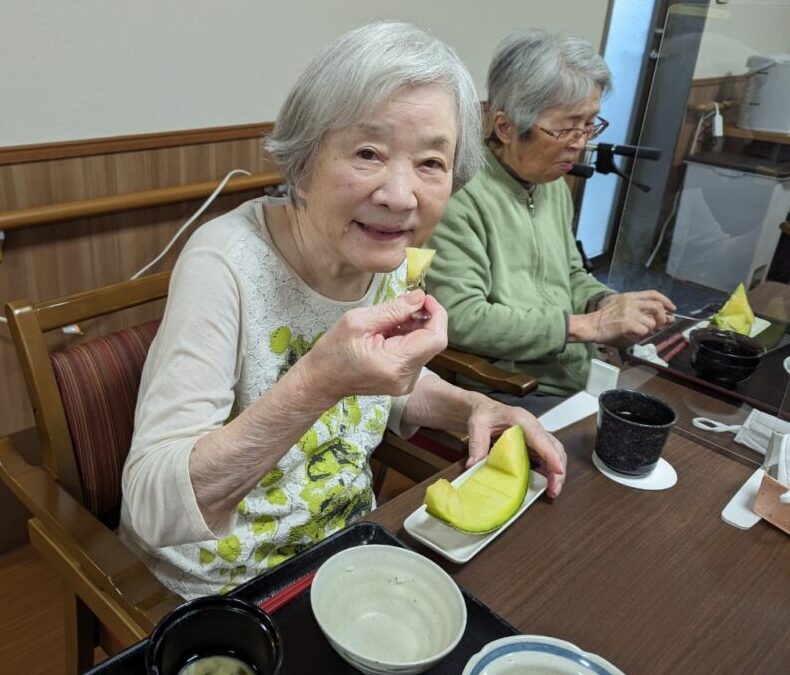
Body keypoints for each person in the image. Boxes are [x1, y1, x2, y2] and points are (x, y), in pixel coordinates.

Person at [119, 22, 566, 600]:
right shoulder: (223, 261)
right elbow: (155, 506)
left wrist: (475, 406)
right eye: (368, 153)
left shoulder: (389, 257)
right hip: (219, 588)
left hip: (348, 551)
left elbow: (385, 384)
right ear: (303, 161)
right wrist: (318, 380)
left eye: (431, 163)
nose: (400, 196)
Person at [425, 30, 676, 415]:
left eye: (590, 124)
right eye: (566, 127)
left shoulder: (550, 183)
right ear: (506, 127)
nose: (580, 143)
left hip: (572, 371)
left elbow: (570, 274)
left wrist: (607, 302)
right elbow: (461, 319)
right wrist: (589, 326)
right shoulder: (459, 194)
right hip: (509, 390)